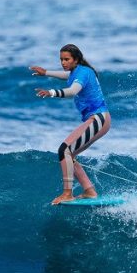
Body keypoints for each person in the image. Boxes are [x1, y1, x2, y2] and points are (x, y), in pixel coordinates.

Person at [30, 44, 111, 205]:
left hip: (98, 119)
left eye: (67, 59)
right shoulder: (79, 71)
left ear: (76, 59)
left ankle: (67, 193)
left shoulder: (83, 73)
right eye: (61, 59)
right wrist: (46, 73)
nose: (63, 62)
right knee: (69, 154)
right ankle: (89, 191)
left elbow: (73, 90)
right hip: (98, 119)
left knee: (64, 150)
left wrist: (51, 92)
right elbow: (66, 76)